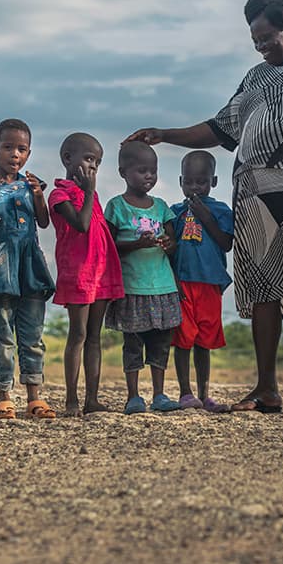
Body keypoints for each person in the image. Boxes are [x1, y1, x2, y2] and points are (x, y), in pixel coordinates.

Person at [126, 0, 283, 413]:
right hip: (256, 198)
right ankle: (266, 388)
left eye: (267, 37)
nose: (260, 47)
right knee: (262, 288)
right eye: (255, 40)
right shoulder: (256, 78)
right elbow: (221, 129)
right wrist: (165, 134)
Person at [0, 118, 57, 420]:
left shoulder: (32, 185)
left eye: (21, 149)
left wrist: (39, 195)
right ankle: (4, 397)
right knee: (2, 333)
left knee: (32, 334)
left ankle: (34, 397)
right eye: (7, 148)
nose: (14, 155)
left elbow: (43, 222)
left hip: (29, 265)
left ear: (28, 154)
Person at [48, 132, 125, 417]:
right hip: (78, 274)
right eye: (89, 159)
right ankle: (71, 401)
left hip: (101, 273)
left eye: (98, 163)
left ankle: (92, 399)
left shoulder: (93, 197)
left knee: (95, 336)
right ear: (68, 159)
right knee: (77, 334)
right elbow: (80, 225)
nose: (93, 167)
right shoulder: (59, 194)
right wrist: (90, 192)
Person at [104, 141, 183, 415]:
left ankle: (160, 395)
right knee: (134, 343)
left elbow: (174, 241)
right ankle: (134, 396)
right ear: (123, 172)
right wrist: (137, 244)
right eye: (141, 170)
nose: (148, 176)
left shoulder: (161, 207)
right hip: (133, 286)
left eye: (153, 170)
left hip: (162, 285)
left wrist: (166, 243)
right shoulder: (116, 206)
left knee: (161, 343)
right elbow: (110, 246)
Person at [169, 151, 234, 413]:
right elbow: (171, 247)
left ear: (214, 182)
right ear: (181, 181)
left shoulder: (221, 211)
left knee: (204, 341)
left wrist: (206, 217)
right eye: (190, 182)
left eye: (202, 181)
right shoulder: (174, 212)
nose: (195, 187)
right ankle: (186, 393)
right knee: (183, 338)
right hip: (182, 282)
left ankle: (205, 395)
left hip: (210, 282)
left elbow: (226, 243)